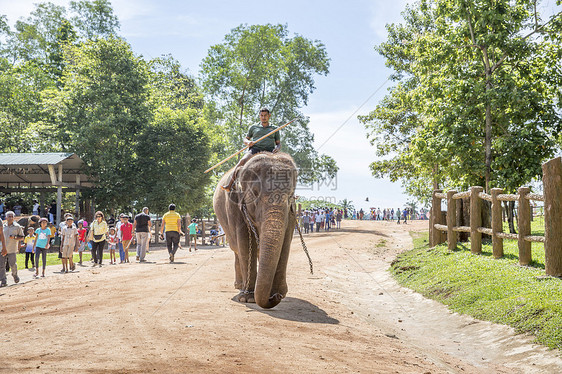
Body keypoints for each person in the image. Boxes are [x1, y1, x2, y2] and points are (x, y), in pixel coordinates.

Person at [222, 107, 281, 191]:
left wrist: (277, 148)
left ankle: (285, 191)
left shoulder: (275, 128)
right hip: (255, 149)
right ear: (259, 116)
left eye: (265, 115)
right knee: (242, 161)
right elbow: (245, 139)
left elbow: (278, 143)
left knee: (282, 167)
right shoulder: (253, 127)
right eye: (261, 115)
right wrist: (248, 142)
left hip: (269, 151)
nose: (263, 117)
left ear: (269, 116)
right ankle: (230, 184)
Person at [1, 211, 24, 286]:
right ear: (6, 218)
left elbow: (22, 237)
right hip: (2, 249)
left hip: (12, 249)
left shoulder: (17, 227)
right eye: (9, 216)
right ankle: (3, 281)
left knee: (13, 264)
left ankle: (15, 275)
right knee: (1, 265)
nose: (10, 218)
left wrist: (14, 237)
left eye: (12, 216)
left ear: (14, 218)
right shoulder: (2, 226)